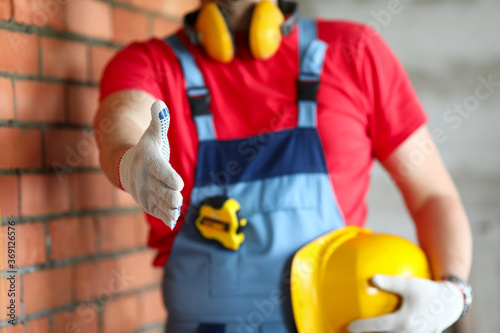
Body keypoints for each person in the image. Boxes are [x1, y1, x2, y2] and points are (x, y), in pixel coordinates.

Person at [93, 0, 473, 332]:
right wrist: (130, 160)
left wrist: (453, 293)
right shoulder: (150, 64)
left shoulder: (354, 52)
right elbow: (124, 119)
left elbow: (432, 195)